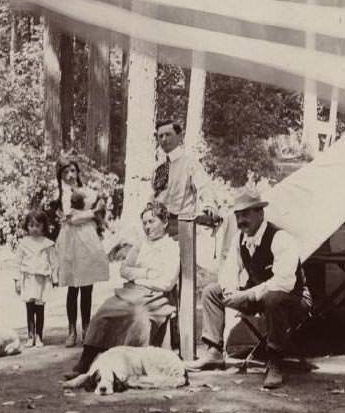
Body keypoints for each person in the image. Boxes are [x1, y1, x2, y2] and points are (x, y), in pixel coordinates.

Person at [187, 187, 308, 389]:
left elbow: (284, 282)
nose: (241, 220)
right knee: (211, 293)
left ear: (260, 213)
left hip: (293, 300)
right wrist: (230, 291)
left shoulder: (280, 238)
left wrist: (247, 294)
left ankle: (275, 361)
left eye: (245, 214)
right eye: (237, 215)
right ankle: (214, 352)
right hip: (259, 296)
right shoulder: (239, 239)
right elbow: (229, 270)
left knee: (273, 298)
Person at [68, 201, 180, 375]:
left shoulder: (172, 247)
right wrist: (148, 273)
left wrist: (140, 279)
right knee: (104, 312)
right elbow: (124, 270)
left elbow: (167, 282)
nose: (147, 227)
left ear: (164, 222)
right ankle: (86, 361)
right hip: (130, 292)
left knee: (139, 317)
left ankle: (130, 366)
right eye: (144, 223)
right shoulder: (141, 245)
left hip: (157, 297)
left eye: (152, 221)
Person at [52, 160, 109, 347]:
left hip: (88, 240)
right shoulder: (61, 193)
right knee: (73, 287)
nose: (70, 175)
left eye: (73, 171)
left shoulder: (86, 190)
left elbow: (99, 203)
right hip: (71, 241)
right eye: (66, 172)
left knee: (87, 285)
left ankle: (86, 328)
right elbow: (71, 217)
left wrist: (98, 209)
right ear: (61, 174)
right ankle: (71, 330)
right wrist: (93, 213)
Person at [151, 120, 217, 238]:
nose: (164, 139)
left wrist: (209, 205)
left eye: (168, 134)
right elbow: (154, 196)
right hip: (160, 228)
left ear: (179, 136)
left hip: (181, 226)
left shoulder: (190, 164)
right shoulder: (158, 168)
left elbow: (204, 187)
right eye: (160, 136)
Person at [14, 209, 59, 348]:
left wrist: (55, 278)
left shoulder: (48, 244)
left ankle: (39, 336)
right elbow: (17, 262)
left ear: (43, 226)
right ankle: (30, 336)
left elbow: (54, 262)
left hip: (42, 280)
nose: (34, 228)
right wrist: (17, 280)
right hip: (28, 279)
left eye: (38, 225)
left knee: (40, 309)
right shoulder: (23, 243)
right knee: (29, 308)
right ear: (27, 226)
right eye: (31, 225)